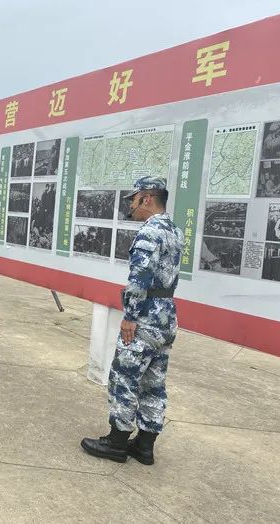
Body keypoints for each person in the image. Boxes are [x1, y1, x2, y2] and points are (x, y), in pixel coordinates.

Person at [81, 176, 183, 465]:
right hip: (166, 317)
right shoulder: (174, 230)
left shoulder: (150, 232)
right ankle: (145, 446)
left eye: (133, 198)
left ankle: (116, 442)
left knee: (124, 378)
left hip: (145, 318)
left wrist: (130, 316)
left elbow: (140, 278)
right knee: (154, 382)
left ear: (147, 198)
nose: (131, 204)